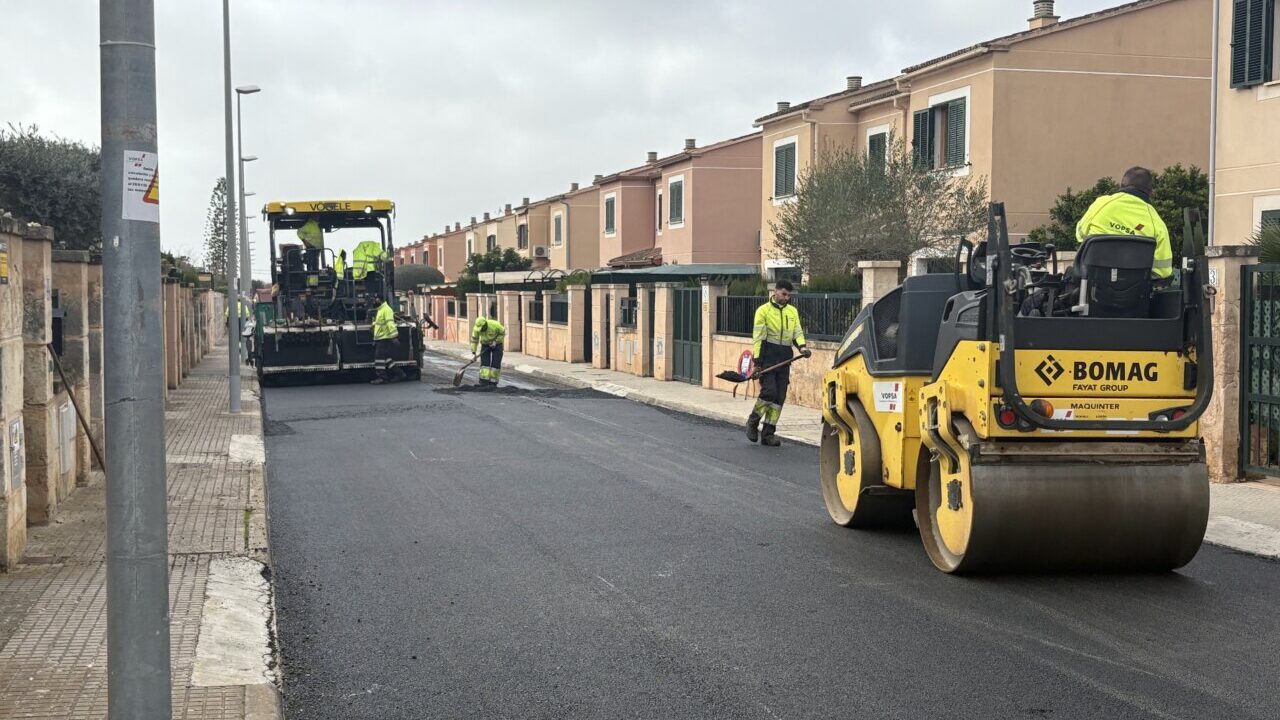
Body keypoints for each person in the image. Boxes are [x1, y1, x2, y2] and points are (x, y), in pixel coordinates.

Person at [1075, 166, 1173, 281]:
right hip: (1134, 295)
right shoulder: (1156, 222)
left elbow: (1080, 235)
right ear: (1150, 192)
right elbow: (1163, 271)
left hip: (1091, 288)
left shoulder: (1101, 204)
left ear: (1121, 185)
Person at [747, 280, 811, 447]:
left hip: (784, 359)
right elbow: (759, 338)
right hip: (768, 359)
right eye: (784, 294)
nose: (786, 298)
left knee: (779, 398)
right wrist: (757, 364)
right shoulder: (763, 311)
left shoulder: (792, 312)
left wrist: (802, 347)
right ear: (775, 291)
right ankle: (753, 422)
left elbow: (797, 332)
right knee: (769, 392)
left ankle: (768, 433)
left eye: (789, 295)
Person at [370, 294, 404, 384]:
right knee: (387, 359)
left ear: (379, 299)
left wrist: (394, 337)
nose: (374, 301)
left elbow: (390, 324)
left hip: (384, 339)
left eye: (375, 299)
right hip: (380, 338)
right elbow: (381, 323)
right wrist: (373, 325)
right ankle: (399, 373)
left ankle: (382, 377)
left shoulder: (386, 310)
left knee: (379, 358)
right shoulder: (381, 310)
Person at [469, 316, 506, 387]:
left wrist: (496, 341)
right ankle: (483, 381)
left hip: (497, 345)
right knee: (485, 364)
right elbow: (474, 340)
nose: (481, 330)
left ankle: (493, 382)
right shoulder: (476, 329)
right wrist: (474, 352)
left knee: (495, 363)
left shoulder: (495, 325)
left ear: (485, 324)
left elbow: (503, 333)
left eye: (482, 328)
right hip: (485, 344)